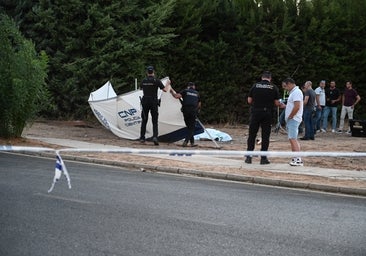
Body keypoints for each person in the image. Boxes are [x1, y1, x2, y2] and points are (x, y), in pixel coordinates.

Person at [245, 71, 282, 165]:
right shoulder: (273, 87)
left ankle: (248, 157)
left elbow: (249, 100)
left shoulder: (255, 86)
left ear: (262, 77)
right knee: (265, 136)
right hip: (267, 113)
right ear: (270, 78)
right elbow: (277, 103)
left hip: (256, 112)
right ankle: (263, 158)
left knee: (252, 134)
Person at [139, 65, 170, 145]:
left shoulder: (144, 80)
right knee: (155, 121)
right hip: (153, 102)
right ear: (153, 72)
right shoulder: (156, 81)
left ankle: (142, 138)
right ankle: (155, 137)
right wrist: (167, 83)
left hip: (145, 101)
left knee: (144, 120)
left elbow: (140, 88)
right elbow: (165, 90)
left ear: (147, 72)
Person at [170, 82, 201, 147]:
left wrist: (171, 92)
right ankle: (186, 141)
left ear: (188, 86)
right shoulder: (197, 93)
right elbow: (199, 103)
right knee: (191, 127)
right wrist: (197, 110)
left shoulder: (185, 91)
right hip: (193, 111)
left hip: (185, 111)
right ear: (194, 86)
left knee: (189, 127)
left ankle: (192, 142)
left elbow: (176, 96)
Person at [283, 78, 304, 166]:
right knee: (292, 139)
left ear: (289, 84)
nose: (285, 88)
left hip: (294, 119)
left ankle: (298, 159)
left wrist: (291, 116)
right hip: (292, 118)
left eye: (285, 86)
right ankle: (295, 158)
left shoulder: (296, 92)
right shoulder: (294, 92)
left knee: (293, 139)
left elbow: (297, 106)